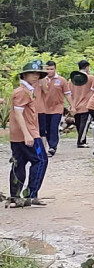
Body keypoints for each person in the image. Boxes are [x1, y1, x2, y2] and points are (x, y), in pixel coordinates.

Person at [9, 61, 46, 207]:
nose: (36, 76)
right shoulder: (22, 92)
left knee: (19, 163)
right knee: (41, 160)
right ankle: (31, 194)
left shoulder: (26, 90)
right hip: (28, 133)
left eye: (37, 74)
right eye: (32, 73)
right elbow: (18, 114)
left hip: (17, 135)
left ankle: (16, 197)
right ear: (25, 75)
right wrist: (27, 134)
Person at [34, 60, 67, 156]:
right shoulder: (38, 80)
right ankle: (47, 145)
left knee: (53, 127)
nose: (49, 71)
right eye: (47, 69)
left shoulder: (61, 80)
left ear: (55, 69)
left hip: (57, 108)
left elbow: (67, 93)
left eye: (51, 69)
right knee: (46, 129)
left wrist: (72, 105)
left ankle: (53, 147)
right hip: (44, 109)